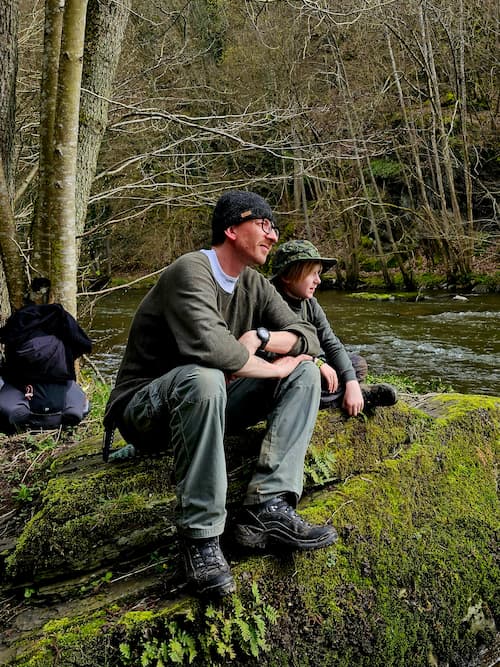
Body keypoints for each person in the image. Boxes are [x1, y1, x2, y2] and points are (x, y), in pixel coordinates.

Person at [103, 191, 338, 598]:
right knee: (206, 376)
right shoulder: (190, 271)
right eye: (263, 225)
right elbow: (216, 353)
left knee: (303, 373)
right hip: (145, 411)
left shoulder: (253, 284)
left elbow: (308, 338)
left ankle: (270, 506)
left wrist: (263, 336)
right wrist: (271, 364)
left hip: (211, 403)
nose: (273, 236)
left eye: (274, 227)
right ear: (231, 229)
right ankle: (202, 539)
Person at [270, 240, 397, 417]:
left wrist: (351, 381)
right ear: (287, 276)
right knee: (306, 379)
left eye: (319, 274)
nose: (318, 280)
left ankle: (349, 390)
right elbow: (271, 357)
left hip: (314, 363)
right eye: (312, 274)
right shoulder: (270, 300)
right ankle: (359, 396)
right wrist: (316, 363)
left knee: (356, 364)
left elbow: (331, 343)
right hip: (284, 374)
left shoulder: (310, 303)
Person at [0, 278, 92, 433]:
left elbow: (9, 360)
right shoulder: (62, 320)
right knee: (76, 400)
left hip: (22, 404)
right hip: (61, 405)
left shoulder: (20, 323)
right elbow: (85, 345)